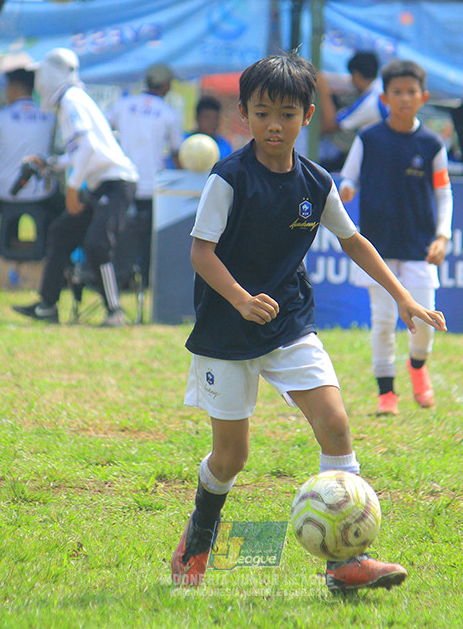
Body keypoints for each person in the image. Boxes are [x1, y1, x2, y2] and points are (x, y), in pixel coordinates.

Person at [169, 53, 447, 592]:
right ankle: (197, 542)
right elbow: (201, 253)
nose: (275, 125)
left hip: (290, 323)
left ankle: (346, 561)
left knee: (336, 423)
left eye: (288, 114)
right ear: (245, 115)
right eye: (263, 112)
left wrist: (405, 298)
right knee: (231, 457)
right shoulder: (228, 178)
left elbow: (354, 242)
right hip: (228, 329)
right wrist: (241, 299)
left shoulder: (315, 182)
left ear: (308, 116)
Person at [338, 59, 453, 415]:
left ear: (424, 97)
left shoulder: (433, 144)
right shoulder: (369, 138)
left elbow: (444, 193)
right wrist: (346, 188)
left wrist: (443, 236)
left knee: (425, 322)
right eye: (397, 93)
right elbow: (349, 176)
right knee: (383, 321)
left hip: (420, 249)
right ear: (385, 97)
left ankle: (417, 367)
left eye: (411, 92)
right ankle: (386, 394)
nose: (405, 99)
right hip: (378, 247)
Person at [11, 47, 138, 327]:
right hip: (100, 183)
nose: (38, 82)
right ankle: (47, 306)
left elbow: (89, 147)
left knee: (97, 245)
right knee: (60, 232)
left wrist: (71, 188)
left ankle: (114, 312)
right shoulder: (71, 100)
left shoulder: (71, 100)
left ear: (52, 73)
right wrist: (50, 164)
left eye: (41, 74)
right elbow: (81, 151)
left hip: (116, 183)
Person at [106, 63, 184, 287]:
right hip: (153, 186)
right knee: (151, 240)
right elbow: (177, 152)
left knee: (121, 234)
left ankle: (121, 279)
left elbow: (103, 128)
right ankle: (149, 282)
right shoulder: (169, 113)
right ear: (166, 85)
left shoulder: (124, 104)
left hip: (123, 181)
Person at [0, 68, 60, 252]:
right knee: (60, 206)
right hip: (42, 192)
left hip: (5, 191)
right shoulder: (49, 116)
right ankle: (49, 250)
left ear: (12, 88)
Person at [316, 51, 387, 170]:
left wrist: (323, 89)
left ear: (356, 75)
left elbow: (331, 125)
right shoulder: (380, 88)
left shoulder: (370, 101)